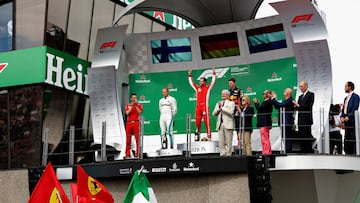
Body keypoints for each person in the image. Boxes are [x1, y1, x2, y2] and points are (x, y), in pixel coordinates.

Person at [188, 67, 216, 141]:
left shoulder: (208, 88)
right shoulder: (197, 88)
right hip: (198, 108)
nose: (200, 82)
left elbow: (213, 82)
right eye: (199, 81)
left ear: (205, 82)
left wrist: (213, 73)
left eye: (201, 81)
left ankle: (209, 138)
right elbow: (191, 84)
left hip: (205, 107)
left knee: (207, 123)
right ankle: (197, 137)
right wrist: (189, 75)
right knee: (197, 123)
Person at [293, 80, 315, 153]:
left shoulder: (311, 94)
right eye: (299, 86)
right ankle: (302, 151)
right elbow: (298, 108)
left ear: (306, 86)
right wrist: (294, 106)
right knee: (301, 136)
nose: (300, 88)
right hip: (300, 120)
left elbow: (308, 106)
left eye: (301, 86)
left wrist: (298, 105)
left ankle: (308, 151)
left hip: (307, 119)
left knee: (307, 135)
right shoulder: (300, 96)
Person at [271, 88, 295, 153]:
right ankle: (286, 150)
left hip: (287, 122)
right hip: (283, 121)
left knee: (287, 137)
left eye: (284, 91)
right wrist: (273, 99)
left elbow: (280, 105)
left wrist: (274, 99)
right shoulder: (285, 100)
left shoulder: (290, 100)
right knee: (284, 137)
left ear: (288, 93)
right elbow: (277, 106)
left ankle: (288, 151)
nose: (283, 92)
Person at [212, 89, 235, 156]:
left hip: (228, 124)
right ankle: (222, 154)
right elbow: (214, 113)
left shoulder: (231, 103)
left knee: (228, 141)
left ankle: (228, 154)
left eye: (224, 94)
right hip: (220, 124)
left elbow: (231, 112)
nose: (223, 95)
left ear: (228, 95)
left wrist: (222, 108)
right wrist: (219, 108)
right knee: (221, 141)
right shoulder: (219, 103)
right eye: (222, 94)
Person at [340, 81, 360, 155]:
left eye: (346, 86)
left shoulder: (356, 96)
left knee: (352, 137)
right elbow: (343, 109)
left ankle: (353, 153)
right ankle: (347, 152)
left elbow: (355, 107)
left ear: (350, 87)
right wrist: (342, 117)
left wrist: (348, 116)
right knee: (346, 137)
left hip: (352, 120)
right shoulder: (346, 98)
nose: (344, 88)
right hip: (346, 121)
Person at [253, 90, 273, 155]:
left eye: (264, 94)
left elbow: (259, 108)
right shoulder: (265, 102)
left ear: (267, 94)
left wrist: (256, 103)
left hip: (265, 122)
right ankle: (264, 152)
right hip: (263, 123)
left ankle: (267, 152)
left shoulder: (268, 101)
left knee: (265, 139)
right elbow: (261, 109)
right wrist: (258, 103)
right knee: (263, 139)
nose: (263, 95)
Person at [125, 93, 143, 158]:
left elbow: (140, 112)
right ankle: (127, 154)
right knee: (128, 139)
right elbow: (127, 113)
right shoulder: (128, 105)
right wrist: (132, 105)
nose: (134, 99)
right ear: (131, 98)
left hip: (136, 122)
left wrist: (135, 105)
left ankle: (137, 154)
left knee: (137, 139)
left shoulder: (139, 105)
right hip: (129, 123)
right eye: (133, 97)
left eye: (135, 97)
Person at [228, 78, 244, 146]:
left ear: (234, 83)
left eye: (231, 83)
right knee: (229, 127)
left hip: (237, 111)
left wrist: (240, 109)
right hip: (229, 112)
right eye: (229, 83)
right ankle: (229, 143)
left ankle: (240, 142)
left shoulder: (239, 90)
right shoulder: (228, 92)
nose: (230, 84)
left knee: (238, 127)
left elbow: (242, 100)